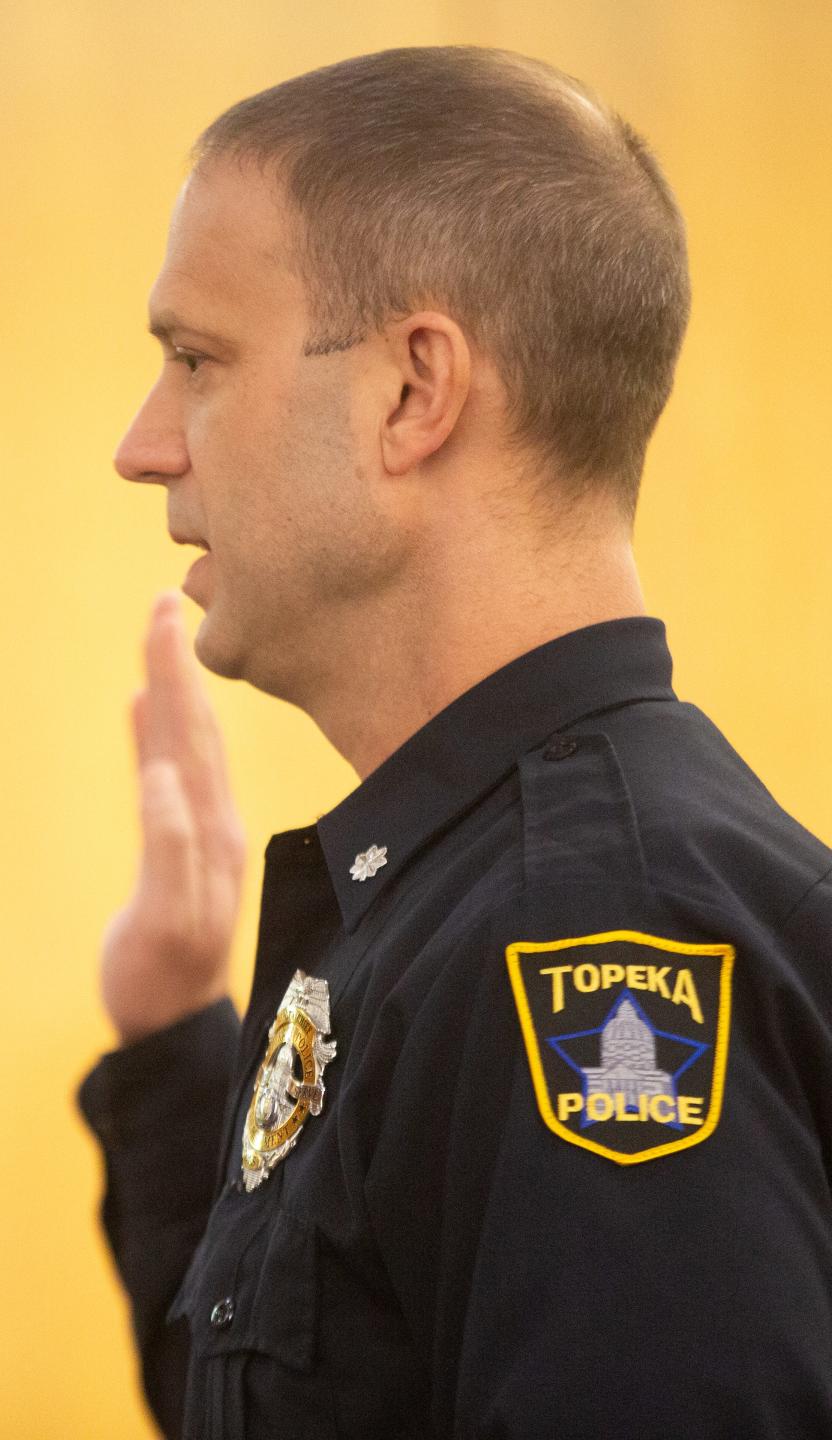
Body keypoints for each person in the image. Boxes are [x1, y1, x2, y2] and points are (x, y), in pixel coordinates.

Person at [75, 44, 832, 1440]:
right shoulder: (477, 893)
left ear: (415, 394)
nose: (143, 444)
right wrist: (175, 1043)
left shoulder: (594, 931)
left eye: (195, 360)